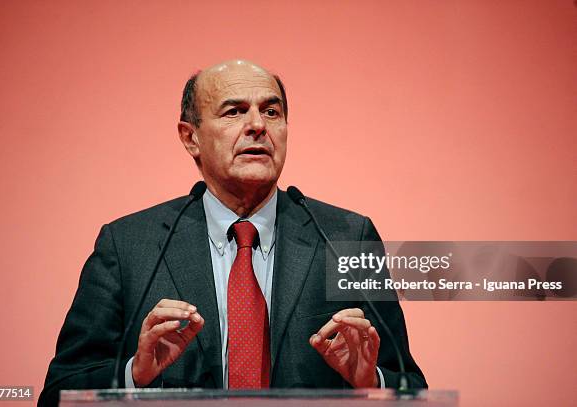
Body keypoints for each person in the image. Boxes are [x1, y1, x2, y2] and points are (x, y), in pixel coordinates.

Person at [39, 60, 426, 406]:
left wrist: (368, 381)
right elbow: (59, 392)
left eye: (271, 111)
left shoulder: (347, 237)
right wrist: (134, 375)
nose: (257, 125)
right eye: (235, 111)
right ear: (191, 137)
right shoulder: (128, 246)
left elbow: (410, 386)